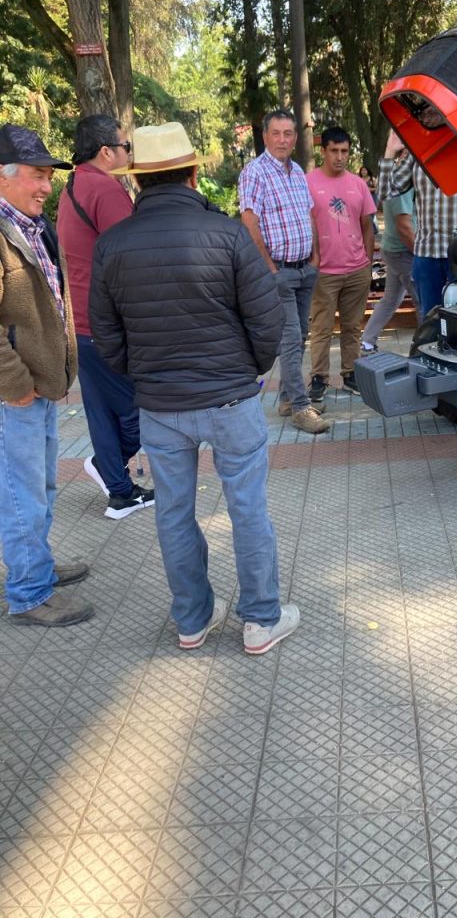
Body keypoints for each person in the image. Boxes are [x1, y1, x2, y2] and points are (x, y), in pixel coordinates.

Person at [89, 122, 299, 655]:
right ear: (193, 173)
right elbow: (267, 318)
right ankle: (260, 620)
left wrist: (144, 377)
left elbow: (106, 336)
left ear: (139, 181)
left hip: (160, 407)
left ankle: (192, 620)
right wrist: (246, 370)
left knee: (173, 513)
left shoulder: (112, 246)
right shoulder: (227, 234)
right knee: (248, 508)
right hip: (230, 399)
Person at [0, 124, 93, 627]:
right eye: (37, 176)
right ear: (2, 176)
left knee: (41, 487)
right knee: (21, 494)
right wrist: (16, 388)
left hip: (40, 386)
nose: (46, 186)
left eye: (47, 176)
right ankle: (29, 593)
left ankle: (36, 564)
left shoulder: (32, 226)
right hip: (15, 393)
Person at [56, 114, 155, 519]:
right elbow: (129, 256)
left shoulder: (72, 185)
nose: (128, 153)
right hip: (107, 322)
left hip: (80, 321)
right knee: (140, 412)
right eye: (125, 146)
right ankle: (108, 472)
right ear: (106, 151)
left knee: (101, 411)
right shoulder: (106, 189)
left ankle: (119, 491)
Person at [238, 109, 330, 435]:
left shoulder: (297, 173)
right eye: (276, 133)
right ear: (265, 136)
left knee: (299, 336)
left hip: (305, 269)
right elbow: (249, 222)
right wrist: (269, 268)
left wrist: (316, 257)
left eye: (288, 133)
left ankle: (288, 398)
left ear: (295, 137)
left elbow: (308, 216)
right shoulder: (255, 172)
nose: (282, 139)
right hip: (278, 273)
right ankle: (302, 409)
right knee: (290, 340)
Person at [307, 126, 376, 400]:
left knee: (352, 327)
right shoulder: (307, 183)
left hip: (356, 269)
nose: (339, 157)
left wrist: (367, 265)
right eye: (334, 151)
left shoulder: (358, 185)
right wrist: (313, 261)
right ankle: (319, 378)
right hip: (323, 272)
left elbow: (367, 227)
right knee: (321, 329)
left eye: (344, 151)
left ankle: (350, 374)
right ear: (322, 151)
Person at [383, 143, 457, 318]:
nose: (427, 118)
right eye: (425, 114)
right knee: (430, 321)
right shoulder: (417, 152)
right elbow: (386, 190)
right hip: (427, 253)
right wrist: (390, 150)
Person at [360, 138, 419, 352]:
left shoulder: (396, 177)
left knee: (391, 298)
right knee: (422, 300)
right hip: (403, 251)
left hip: (393, 249)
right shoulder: (401, 183)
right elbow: (404, 226)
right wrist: (420, 253)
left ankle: (367, 340)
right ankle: (422, 349)